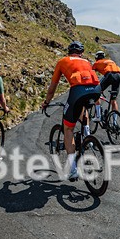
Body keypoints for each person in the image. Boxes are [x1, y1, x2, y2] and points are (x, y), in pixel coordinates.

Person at [41, 41, 101, 180]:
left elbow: (52, 88)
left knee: (68, 128)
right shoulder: (86, 61)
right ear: (81, 53)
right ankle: (87, 135)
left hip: (78, 91)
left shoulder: (63, 61)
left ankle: (73, 169)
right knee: (83, 107)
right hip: (96, 90)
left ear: (69, 52)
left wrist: (46, 102)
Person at [92, 50, 120, 121]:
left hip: (109, 75)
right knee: (113, 101)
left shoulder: (97, 63)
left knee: (97, 94)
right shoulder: (110, 61)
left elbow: (91, 73)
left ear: (96, 58)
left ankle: (98, 116)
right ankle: (115, 122)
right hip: (117, 76)